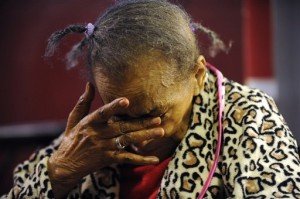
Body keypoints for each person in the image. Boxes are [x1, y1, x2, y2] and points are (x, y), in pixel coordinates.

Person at [2, 0, 300, 198]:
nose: (138, 137)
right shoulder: (93, 137)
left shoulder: (247, 115)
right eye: (122, 115)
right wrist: (59, 173)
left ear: (196, 76)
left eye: (152, 114)